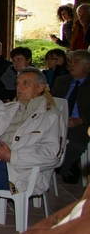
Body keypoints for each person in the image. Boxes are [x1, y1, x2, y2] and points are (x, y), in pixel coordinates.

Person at [0, 68, 62, 194]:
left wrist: (12, 156)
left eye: (26, 83)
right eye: (17, 84)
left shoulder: (51, 116)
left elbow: (52, 155)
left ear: (40, 88)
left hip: (17, 169)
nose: (19, 88)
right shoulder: (6, 109)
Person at [50, 50, 90, 184]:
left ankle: (62, 167)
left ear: (87, 66)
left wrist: (81, 120)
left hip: (81, 125)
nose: (71, 65)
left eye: (76, 62)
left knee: (75, 144)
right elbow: (52, 103)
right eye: (70, 61)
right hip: (58, 121)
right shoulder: (61, 81)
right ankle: (59, 166)